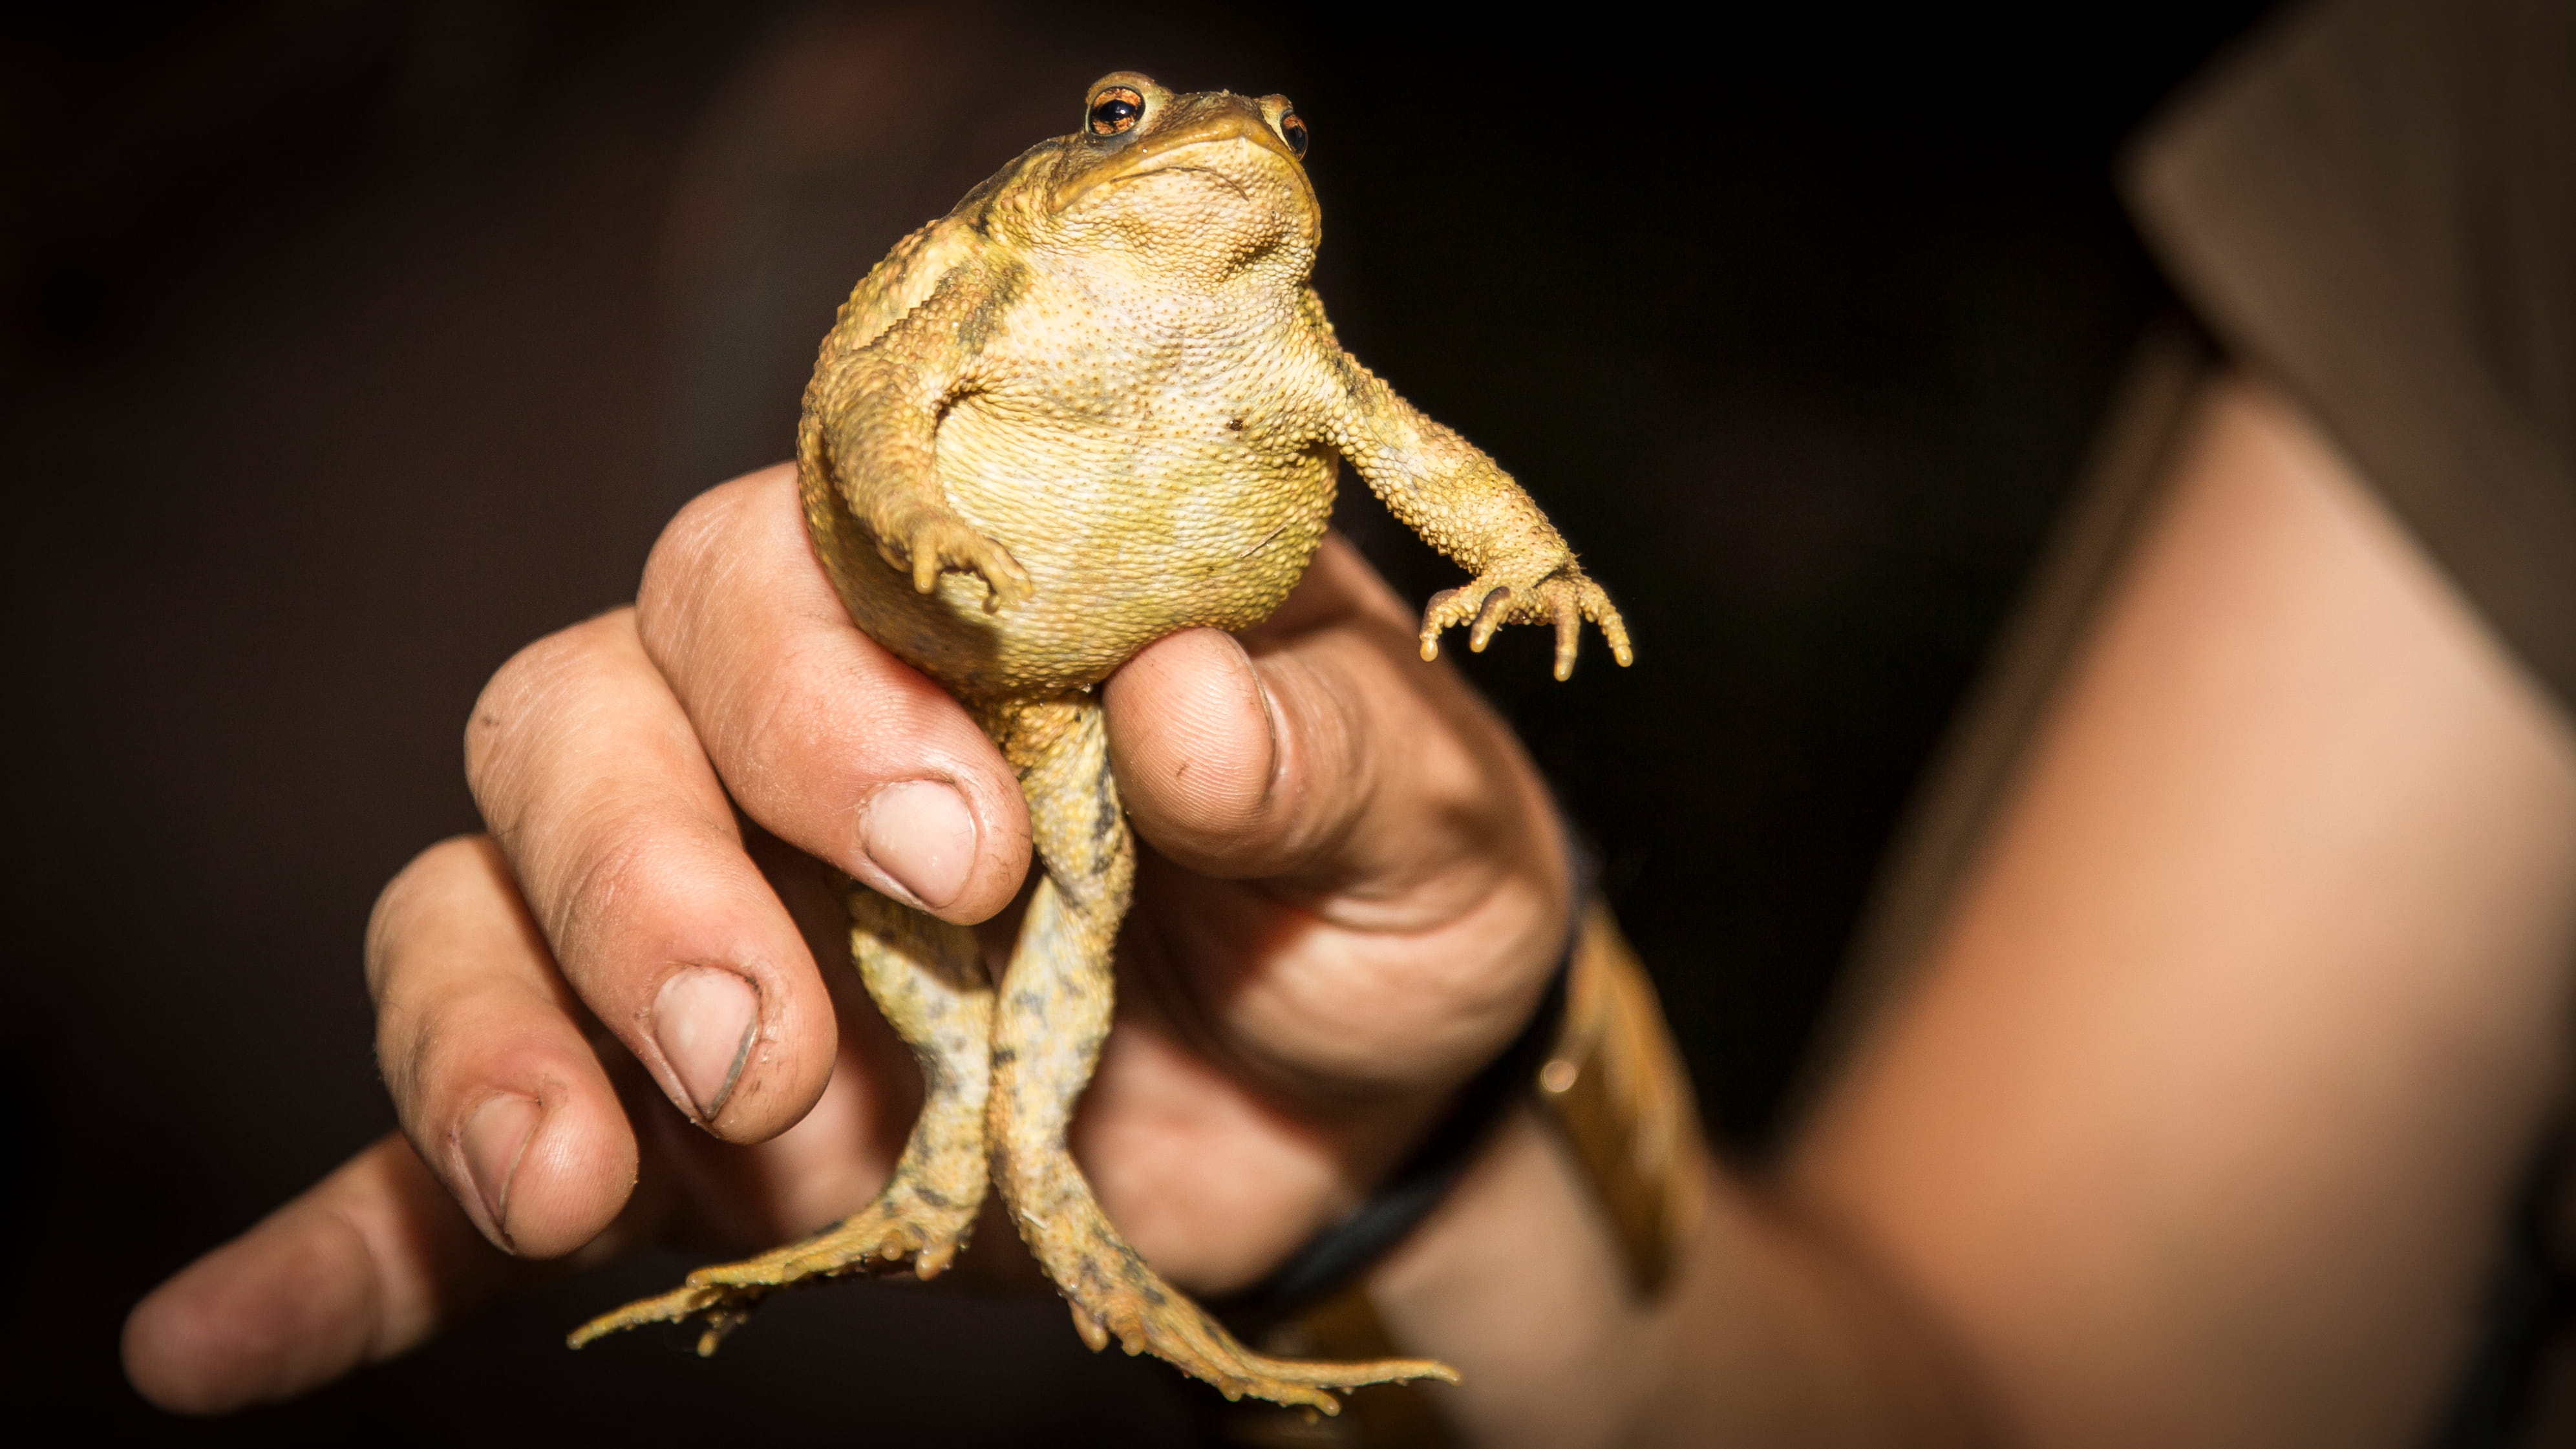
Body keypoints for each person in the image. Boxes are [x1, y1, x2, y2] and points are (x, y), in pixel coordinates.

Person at [116, 0, 2576, 1443]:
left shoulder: (1269, 322)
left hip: (1121, 666)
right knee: (995, 906)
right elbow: (2029, 1395)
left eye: (1263, 139)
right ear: (1063, 168)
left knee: (1035, 953)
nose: (1226, 150)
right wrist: (1409, 1167)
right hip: (1008, 682)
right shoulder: (989, 265)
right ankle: (1023, 1198)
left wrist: (1515, 547)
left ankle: (1045, 1207)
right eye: (1150, 122)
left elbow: (1404, 458)